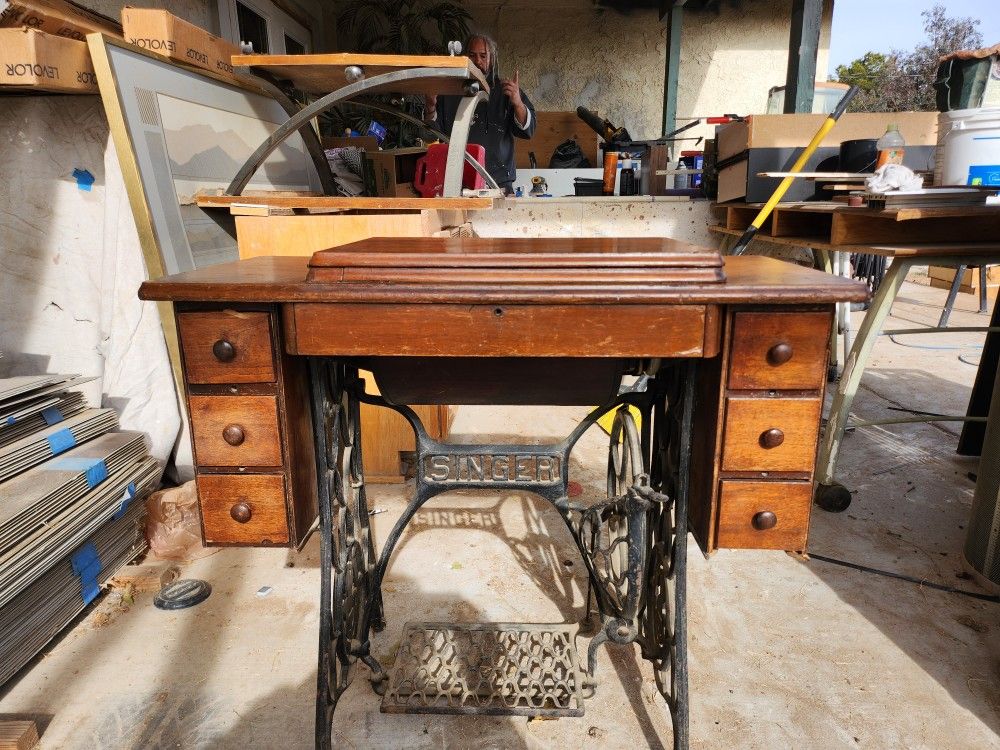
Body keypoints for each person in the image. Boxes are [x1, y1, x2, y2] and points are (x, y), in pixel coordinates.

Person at [424, 33, 536, 194]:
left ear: (492, 59)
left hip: (498, 183)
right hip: (457, 183)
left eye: (483, 56)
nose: (478, 61)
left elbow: (528, 130)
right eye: (472, 56)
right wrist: (430, 107)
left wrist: (518, 103)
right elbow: (431, 137)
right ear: (464, 57)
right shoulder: (448, 91)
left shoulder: (506, 91)